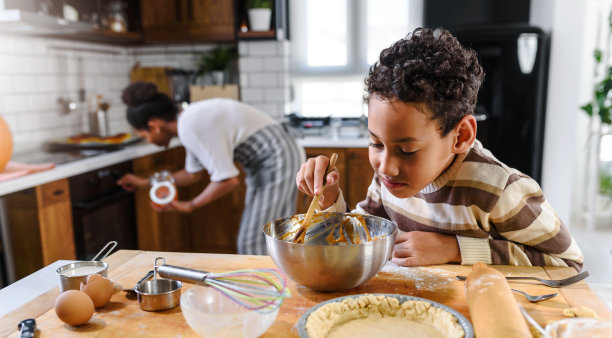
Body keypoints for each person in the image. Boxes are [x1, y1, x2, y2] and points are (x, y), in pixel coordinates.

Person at [296, 28, 584, 272]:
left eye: (407, 150)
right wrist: (330, 198)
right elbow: (363, 238)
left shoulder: (499, 191)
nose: (385, 165)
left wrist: (456, 250)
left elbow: (567, 262)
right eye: (376, 144)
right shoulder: (388, 177)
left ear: (461, 135)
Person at [118, 81, 305, 255]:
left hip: (277, 158)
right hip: (272, 159)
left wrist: (190, 205)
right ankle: (278, 287)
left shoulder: (190, 124)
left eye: (144, 135)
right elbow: (191, 175)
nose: (148, 141)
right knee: (271, 237)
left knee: (253, 242)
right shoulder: (188, 122)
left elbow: (227, 181)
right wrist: (144, 183)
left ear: (154, 127)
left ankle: (267, 289)